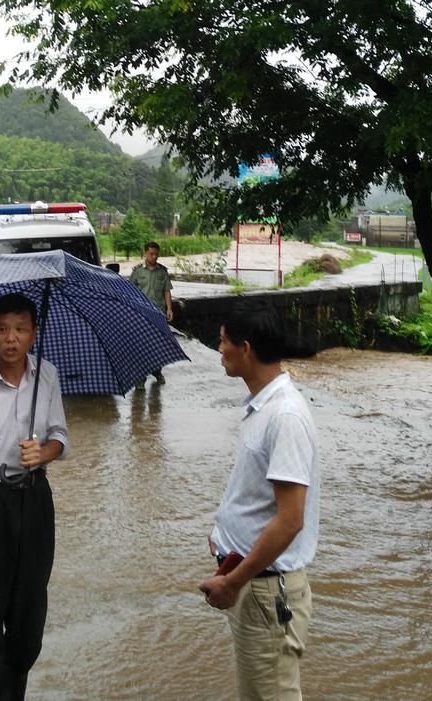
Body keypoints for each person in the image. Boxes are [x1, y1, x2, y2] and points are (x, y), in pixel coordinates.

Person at [199, 308, 320, 701]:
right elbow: (258, 498)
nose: (219, 350)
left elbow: (290, 521)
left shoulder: (284, 416)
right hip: (256, 586)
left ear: (245, 349)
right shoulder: (264, 407)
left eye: (222, 341)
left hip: (264, 591)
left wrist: (234, 581)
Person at [0, 292, 68, 701]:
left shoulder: (48, 375)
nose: (11, 339)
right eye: (3, 329)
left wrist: (44, 453)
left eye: (21, 329)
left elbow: (60, 436)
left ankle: (13, 690)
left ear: (34, 334)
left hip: (35, 501)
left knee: (28, 607)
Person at [129, 241, 173, 387]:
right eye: (151, 254)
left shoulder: (162, 272)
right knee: (141, 345)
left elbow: (167, 291)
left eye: (156, 254)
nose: (154, 257)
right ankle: (140, 378)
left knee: (158, 345)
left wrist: (169, 309)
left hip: (158, 313)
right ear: (145, 254)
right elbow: (130, 291)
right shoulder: (137, 271)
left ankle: (157, 371)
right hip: (141, 314)